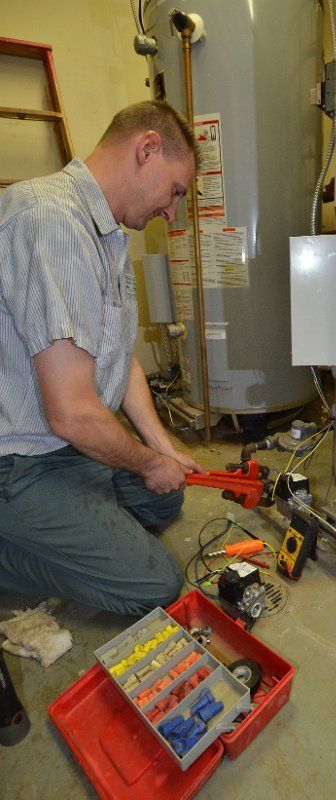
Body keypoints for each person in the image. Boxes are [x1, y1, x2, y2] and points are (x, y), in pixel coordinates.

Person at [0, 101, 206, 616]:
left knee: (164, 496)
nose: (171, 212)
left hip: (68, 444)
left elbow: (120, 358)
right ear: (147, 149)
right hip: (21, 461)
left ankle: (73, 520)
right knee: (153, 584)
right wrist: (144, 461)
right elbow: (71, 413)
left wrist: (162, 448)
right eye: (175, 192)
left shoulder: (105, 232)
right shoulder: (53, 223)